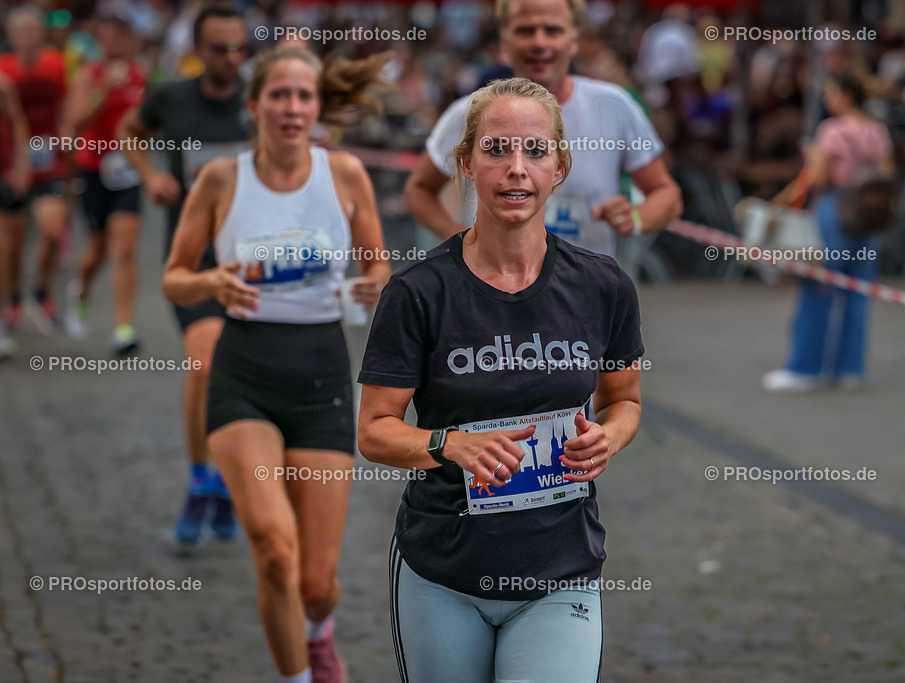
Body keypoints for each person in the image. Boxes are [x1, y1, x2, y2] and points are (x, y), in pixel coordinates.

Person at [359, 77, 644, 683]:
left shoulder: (603, 285)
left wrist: (610, 438)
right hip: (443, 571)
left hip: (560, 567)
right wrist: (447, 445)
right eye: (496, 150)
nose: (517, 169)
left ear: (560, 166)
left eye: (535, 151)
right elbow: (374, 431)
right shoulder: (418, 292)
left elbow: (624, 401)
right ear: (466, 164)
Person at [163, 46, 391, 683]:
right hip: (244, 378)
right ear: (254, 104)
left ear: (318, 107)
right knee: (272, 550)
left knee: (316, 583)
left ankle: (318, 630)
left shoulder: (344, 174)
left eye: (304, 96)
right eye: (280, 95)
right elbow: (174, 279)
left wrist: (374, 283)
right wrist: (212, 278)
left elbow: (378, 264)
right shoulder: (220, 180)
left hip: (321, 380)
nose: (293, 108)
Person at [403, 0, 681, 258]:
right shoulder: (470, 112)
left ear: (574, 41)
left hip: (582, 297)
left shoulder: (613, 105)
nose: (539, 42)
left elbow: (667, 194)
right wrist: (462, 244)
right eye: (525, 30)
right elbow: (419, 189)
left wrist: (633, 218)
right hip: (490, 298)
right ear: (505, 42)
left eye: (552, 30)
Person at [118, 4, 249, 547]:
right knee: (204, 363)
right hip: (192, 259)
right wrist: (149, 175)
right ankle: (203, 478)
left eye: (239, 47)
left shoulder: (259, 100)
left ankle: (228, 480)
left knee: (240, 378)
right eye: (219, 47)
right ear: (197, 51)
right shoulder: (172, 98)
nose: (230, 58)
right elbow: (129, 130)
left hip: (254, 263)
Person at [762, 73, 894, 392]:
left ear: (846, 95)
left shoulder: (832, 130)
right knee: (857, 293)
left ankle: (806, 367)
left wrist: (814, 158)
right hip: (868, 215)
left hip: (835, 210)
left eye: (832, 92)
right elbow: (888, 173)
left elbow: (818, 179)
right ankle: (850, 368)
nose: (827, 99)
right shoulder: (877, 130)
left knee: (818, 287)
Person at [64, 14, 147, 354]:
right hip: (94, 169)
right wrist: (103, 91)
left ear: (128, 39)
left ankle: (123, 327)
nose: (112, 44)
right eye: (106, 37)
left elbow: (150, 121)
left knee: (124, 247)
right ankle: (80, 289)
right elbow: (75, 121)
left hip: (128, 170)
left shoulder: (140, 75)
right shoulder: (89, 75)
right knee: (96, 250)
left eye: (118, 37)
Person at [0, 7, 71, 338]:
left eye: (33, 31)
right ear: (11, 36)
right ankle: (13, 300)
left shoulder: (57, 64)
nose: (28, 37)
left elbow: (68, 103)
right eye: (21, 32)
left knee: (54, 227)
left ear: (41, 34)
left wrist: (68, 135)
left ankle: (41, 291)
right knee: (11, 242)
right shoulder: (4, 70)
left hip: (49, 162)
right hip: (11, 165)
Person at [0, 73, 31, 360]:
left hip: (4, 174)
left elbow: (19, 123)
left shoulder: (4, 84)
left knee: (6, 248)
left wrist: (22, 166)